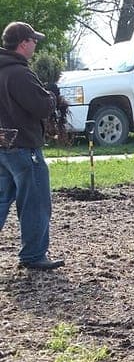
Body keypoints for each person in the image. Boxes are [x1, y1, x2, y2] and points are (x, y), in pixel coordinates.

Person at [0, 21, 64, 270]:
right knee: (35, 202)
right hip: (25, 147)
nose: (36, 45)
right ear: (23, 43)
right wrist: (51, 96)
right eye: (33, 40)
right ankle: (34, 254)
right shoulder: (20, 73)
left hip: (3, 146)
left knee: (2, 200)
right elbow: (40, 107)